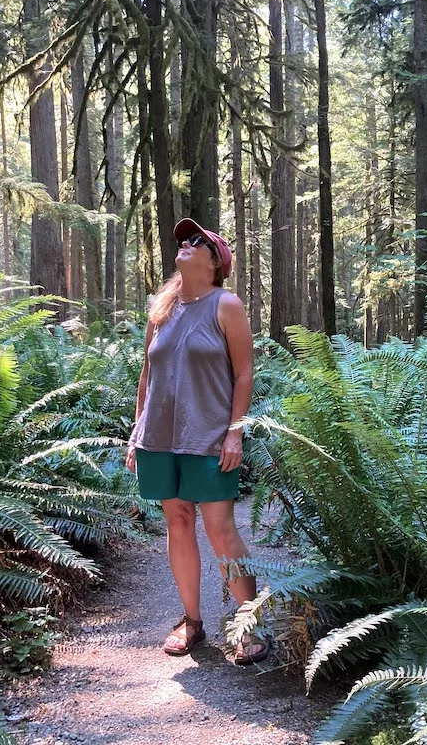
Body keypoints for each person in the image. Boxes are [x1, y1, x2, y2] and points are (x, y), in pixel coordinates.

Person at [126, 217, 268, 664]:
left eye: (197, 241)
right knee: (178, 524)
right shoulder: (162, 309)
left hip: (208, 436)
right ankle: (192, 621)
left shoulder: (226, 304)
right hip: (159, 437)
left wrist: (234, 432)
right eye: (183, 239)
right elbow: (146, 376)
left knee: (220, 528)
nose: (185, 244)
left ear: (215, 262)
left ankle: (248, 624)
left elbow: (244, 374)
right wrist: (136, 431)